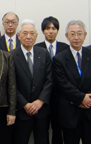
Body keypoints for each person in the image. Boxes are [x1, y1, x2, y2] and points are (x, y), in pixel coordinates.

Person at [52, 20, 91, 144]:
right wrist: (81, 98)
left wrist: (90, 98)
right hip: (70, 110)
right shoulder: (59, 58)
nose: (76, 37)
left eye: (79, 34)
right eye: (72, 34)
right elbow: (62, 83)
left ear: (85, 35)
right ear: (66, 36)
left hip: (90, 110)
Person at [11, 20, 52, 144]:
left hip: (41, 111)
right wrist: (25, 104)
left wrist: (40, 101)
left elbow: (49, 80)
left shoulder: (44, 53)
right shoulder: (11, 56)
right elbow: (11, 85)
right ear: (18, 35)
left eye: (32, 33)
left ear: (36, 35)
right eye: (25, 33)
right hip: (22, 110)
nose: (28, 36)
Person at [35, 16, 68, 144]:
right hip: (42, 96)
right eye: (47, 28)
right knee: (42, 130)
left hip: (60, 96)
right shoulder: (37, 48)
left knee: (58, 129)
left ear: (58, 31)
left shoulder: (65, 47)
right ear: (43, 31)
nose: (50, 31)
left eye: (54, 28)